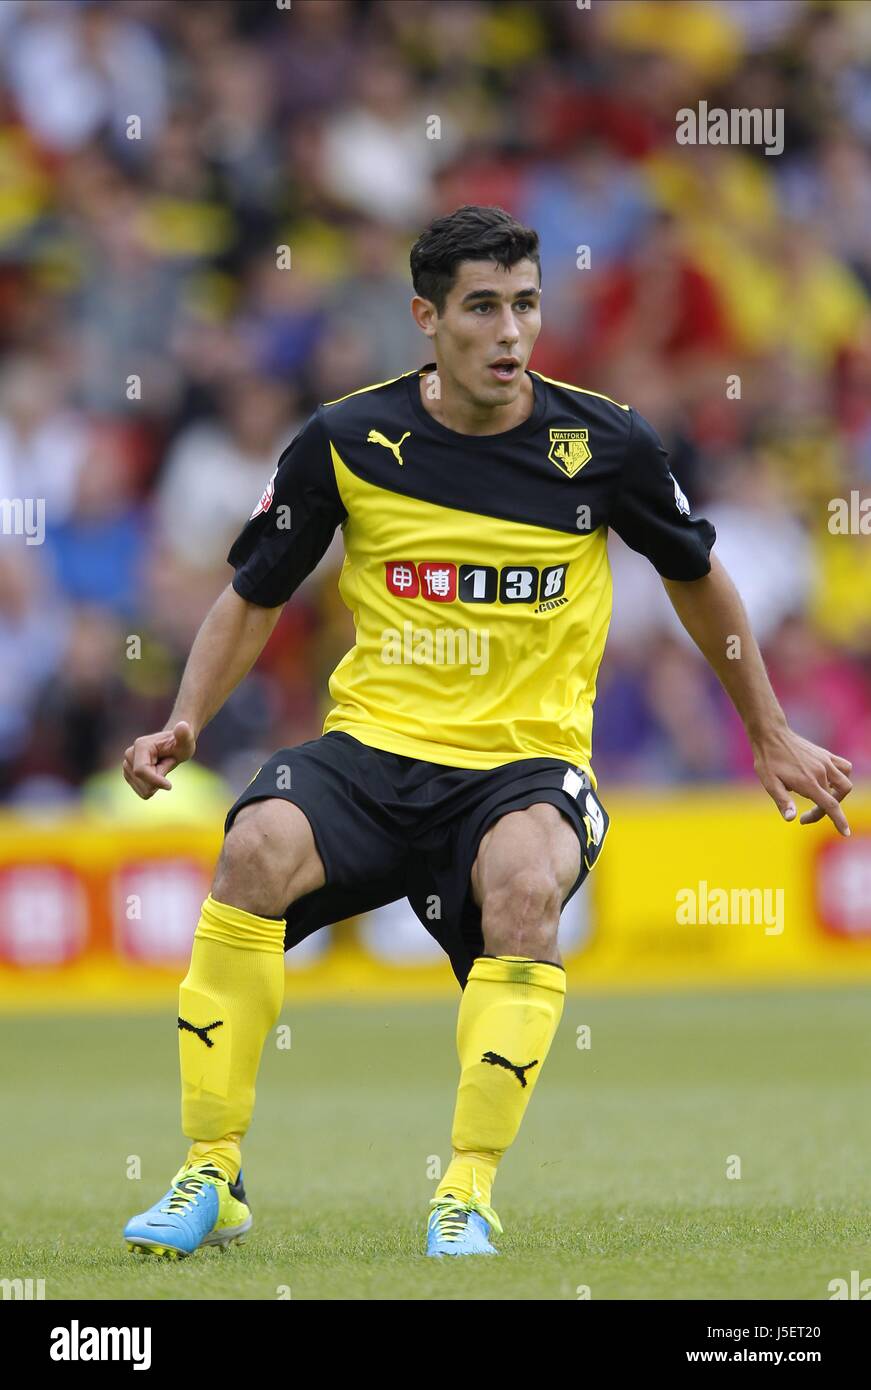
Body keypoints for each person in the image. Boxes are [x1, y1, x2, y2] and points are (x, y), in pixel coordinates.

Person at [121, 205, 853, 1260]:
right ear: (426, 316)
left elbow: (697, 578)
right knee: (251, 848)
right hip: (374, 750)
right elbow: (253, 592)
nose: (510, 331)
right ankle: (211, 1171)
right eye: (482, 308)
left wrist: (767, 729)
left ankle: (463, 1192)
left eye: (525, 304)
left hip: (526, 767)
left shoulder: (602, 443)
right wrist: (186, 717)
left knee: (520, 883)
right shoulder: (346, 440)